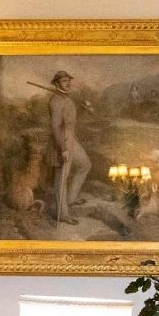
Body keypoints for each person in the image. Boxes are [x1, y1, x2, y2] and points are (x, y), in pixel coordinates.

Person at [48, 71, 90, 226]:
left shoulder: (66, 97)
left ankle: (71, 199)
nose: (67, 83)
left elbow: (71, 117)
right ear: (56, 83)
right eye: (64, 81)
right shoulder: (56, 101)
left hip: (72, 137)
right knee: (62, 176)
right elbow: (55, 126)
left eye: (68, 80)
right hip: (63, 139)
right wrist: (63, 148)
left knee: (85, 165)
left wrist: (85, 107)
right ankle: (62, 214)